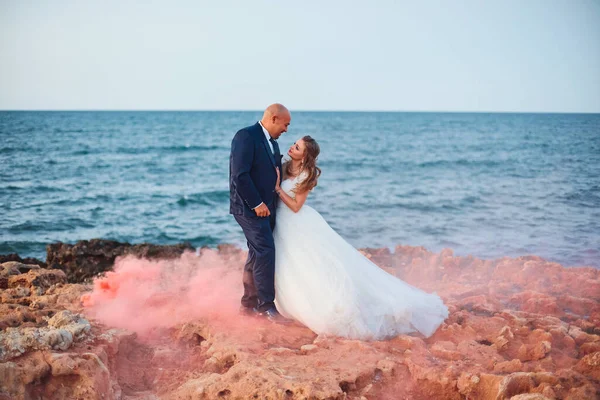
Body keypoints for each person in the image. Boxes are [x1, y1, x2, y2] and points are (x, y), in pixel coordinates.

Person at [272, 136, 449, 339]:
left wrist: (277, 189)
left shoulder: (306, 175)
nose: (292, 147)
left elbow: (296, 206)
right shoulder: (284, 166)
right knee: (290, 265)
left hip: (297, 223)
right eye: (294, 144)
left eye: (297, 147)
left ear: (305, 156)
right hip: (282, 224)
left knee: (314, 265)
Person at [229, 103, 291, 324]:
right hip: (248, 208)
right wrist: (256, 203)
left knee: (256, 253)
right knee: (265, 250)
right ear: (274, 118)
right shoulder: (246, 136)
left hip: (269, 207)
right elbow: (240, 175)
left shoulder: (273, 143)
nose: (286, 130)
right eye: (285, 124)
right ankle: (266, 307)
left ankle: (247, 305)